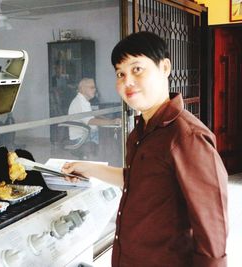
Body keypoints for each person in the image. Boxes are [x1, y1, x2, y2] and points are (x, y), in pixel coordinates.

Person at [62, 31, 228, 266]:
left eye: (136, 69)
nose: (126, 81)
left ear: (165, 68)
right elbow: (139, 180)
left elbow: (212, 229)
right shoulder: (140, 133)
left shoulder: (187, 137)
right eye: (120, 73)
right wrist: (87, 168)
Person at [68, 78, 121, 144]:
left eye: (94, 87)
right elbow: (90, 121)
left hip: (86, 135)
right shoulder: (81, 102)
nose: (95, 90)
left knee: (110, 135)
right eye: (92, 87)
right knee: (111, 139)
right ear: (83, 89)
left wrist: (109, 120)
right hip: (82, 139)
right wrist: (111, 122)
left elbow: (92, 116)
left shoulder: (82, 100)